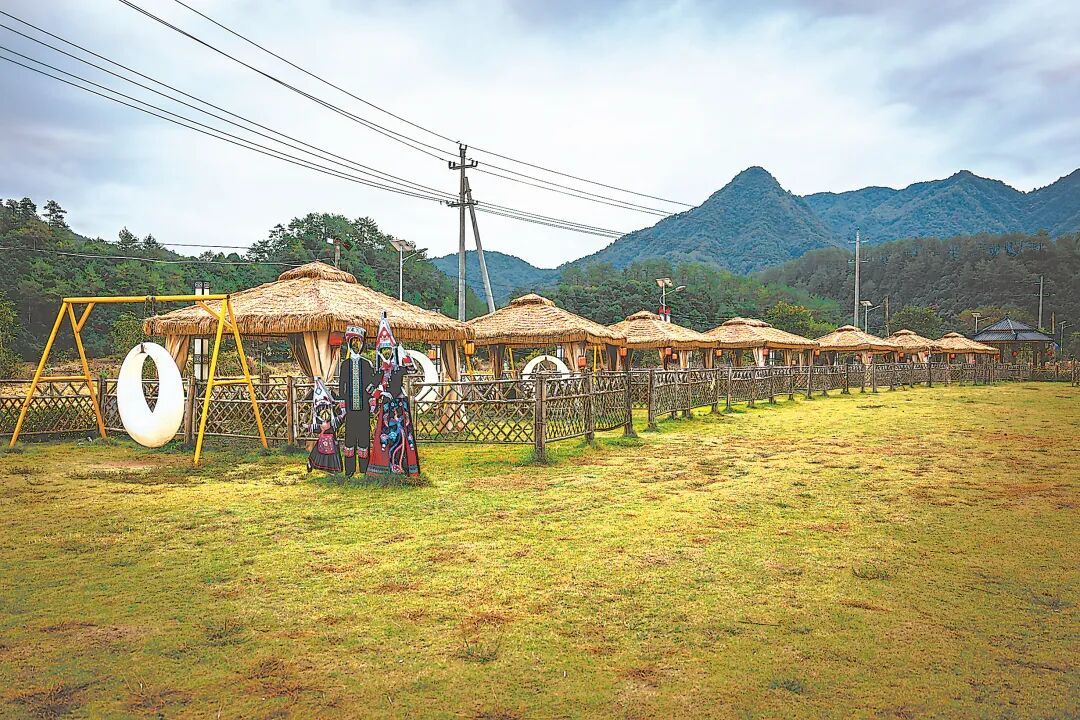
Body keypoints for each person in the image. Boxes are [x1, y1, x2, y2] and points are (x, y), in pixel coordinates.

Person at [366, 313, 421, 477]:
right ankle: (385, 467)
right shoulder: (379, 370)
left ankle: (403, 466)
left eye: (389, 350)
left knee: (403, 434)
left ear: (392, 350)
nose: (386, 353)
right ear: (379, 351)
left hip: (400, 405)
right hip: (386, 406)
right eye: (383, 350)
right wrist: (379, 393)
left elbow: (413, 370)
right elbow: (369, 387)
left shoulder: (399, 367)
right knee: (386, 435)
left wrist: (405, 356)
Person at [337, 326, 374, 477]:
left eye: (358, 342)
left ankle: (364, 469)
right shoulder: (345, 364)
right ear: (349, 344)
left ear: (362, 344)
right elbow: (341, 385)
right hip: (350, 408)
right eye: (353, 342)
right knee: (350, 437)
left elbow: (371, 384)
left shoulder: (367, 364)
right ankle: (349, 470)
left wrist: (372, 401)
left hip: (364, 408)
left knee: (364, 437)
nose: (356, 345)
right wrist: (342, 405)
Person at [307, 378, 344, 474]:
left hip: (330, 433)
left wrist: (341, 416)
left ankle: (332, 468)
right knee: (321, 450)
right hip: (325, 433)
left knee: (330, 451)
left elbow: (336, 421)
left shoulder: (331, 413)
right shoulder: (320, 414)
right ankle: (313, 463)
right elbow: (318, 425)